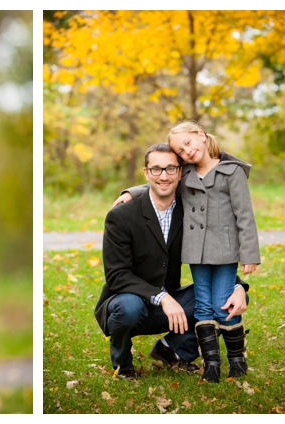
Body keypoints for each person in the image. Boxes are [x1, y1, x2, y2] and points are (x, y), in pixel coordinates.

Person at [114, 121, 260, 383]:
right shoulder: (187, 176)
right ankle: (211, 364)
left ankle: (235, 360)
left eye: (188, 144)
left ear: (201, 136)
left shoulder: (230, 172)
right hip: (195, 255)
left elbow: (245, 216)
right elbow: (159, 182)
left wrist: (247, 261)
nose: (187, 152)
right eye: (180, 151)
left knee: (223, 303)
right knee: (204, 307)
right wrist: (130, 193)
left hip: (225, 253)